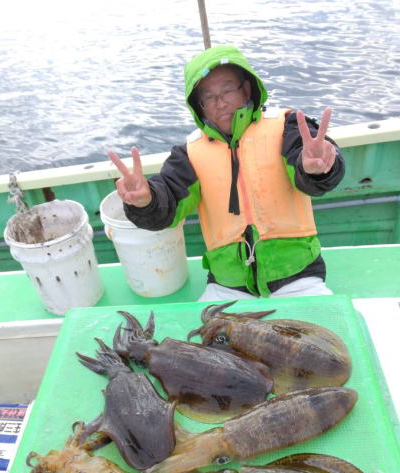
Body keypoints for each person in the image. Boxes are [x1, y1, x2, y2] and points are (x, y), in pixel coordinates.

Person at [108, 45, 345, 301]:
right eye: (208, 97)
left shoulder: (286, 127)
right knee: (200, 327)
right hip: (227, 285)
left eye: (228, 90)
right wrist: (146, 201)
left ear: (247, 89)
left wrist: (318, 168)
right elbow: (168, 202)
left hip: (297, 275)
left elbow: (312, 177)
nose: (220, 103)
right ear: (199, 107)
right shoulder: (189, 153)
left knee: (322, 322)